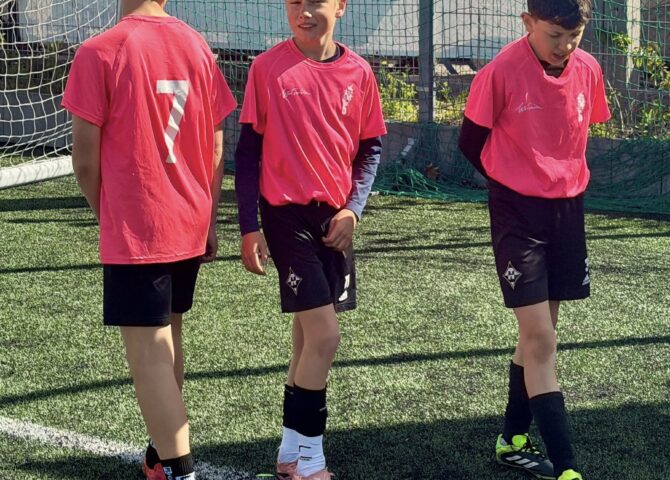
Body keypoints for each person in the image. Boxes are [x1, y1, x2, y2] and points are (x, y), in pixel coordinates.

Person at [62, 1, 237, 479]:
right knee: (168, 338)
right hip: (190, 216)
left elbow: (84, 160)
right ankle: (160, 458)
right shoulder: (196, 45)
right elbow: (216, 145)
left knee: (150, 356)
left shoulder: (100, 51)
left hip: (141, 224)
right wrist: (209, 219)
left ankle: (181, 471)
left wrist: (108, 213)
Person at [458, 1, 610, 479]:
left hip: (567, 211)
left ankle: (512, 440)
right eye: (554, 36)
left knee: (537, 336)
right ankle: (567, 468)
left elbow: (578, 131)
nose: (564, 47)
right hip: (516, 213)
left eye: (574, 36)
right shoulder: (501, 71)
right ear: (528, 23)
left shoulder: (588, 69)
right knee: (541, 338)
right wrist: (514, 181)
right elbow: (469, 143)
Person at [234, 0, 386, 478]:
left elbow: (370, 148)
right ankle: (311, 462)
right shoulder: (267, 68)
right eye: (294, 2)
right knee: (325, 336)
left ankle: (288, 454)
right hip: (285, 218)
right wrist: (248, 226)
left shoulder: (360, 72)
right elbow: (247, 154)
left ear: (340, 7)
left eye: (315, 2)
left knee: (305, 339)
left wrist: (353, 210)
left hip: (334, 222)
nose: (304, 11)